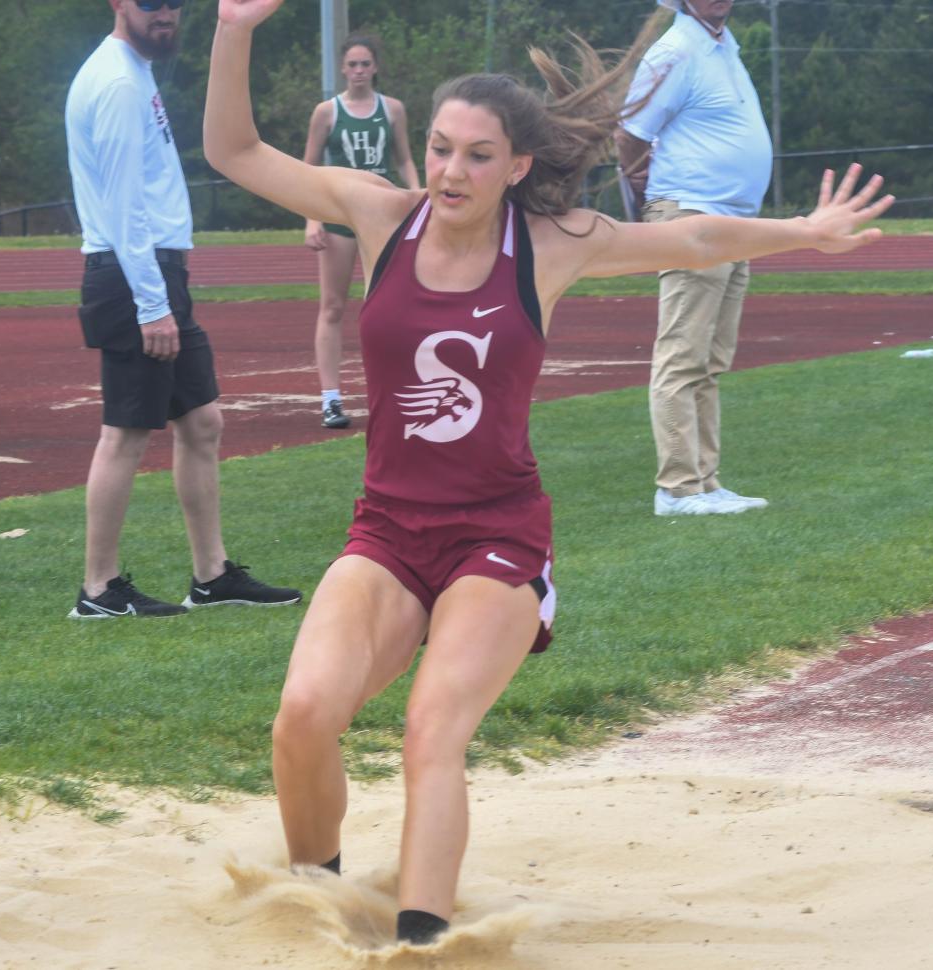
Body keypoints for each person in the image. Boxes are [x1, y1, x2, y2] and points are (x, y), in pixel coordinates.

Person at [204, 0, 891, 945]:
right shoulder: (380, 215)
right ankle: (316, 899)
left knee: (429, 737)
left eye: (478, 156)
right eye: (441, 148)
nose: (451, 170)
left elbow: (692, 242)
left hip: (497, 538)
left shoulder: (553, 242)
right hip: (388, 532)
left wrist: (804, 232)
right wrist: (235, 27)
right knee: (302, 718)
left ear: (518, 167)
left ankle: (423, 945)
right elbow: (237, 155)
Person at [64, 0, 301, 619]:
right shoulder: (117, 82)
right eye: (150, 3)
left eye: (174, 3)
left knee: (202, 423)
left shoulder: (135, 69)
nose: (165, 12)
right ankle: (99, 590)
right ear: (119, 3)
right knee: (126, 432)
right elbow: (121, 211)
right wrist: (151, 306)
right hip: (133, 278)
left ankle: (212, 575)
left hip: (155, 275)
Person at [617, 0, 775, 516]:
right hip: (694, 216)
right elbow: (631, 132)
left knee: (709, 359)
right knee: (684, 353)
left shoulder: (722, 46)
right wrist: (647, 188)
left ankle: (705, 481)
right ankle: (678, 488)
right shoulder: (675, 49)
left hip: (731, 222)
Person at [303, 34, 420, 429]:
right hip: (339, 214)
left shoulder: (392, 109)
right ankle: (331, 399)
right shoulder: (327, 112)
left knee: (388, 304)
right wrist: (312, 218)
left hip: (382, 214)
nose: (358, 71)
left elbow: (404, 159)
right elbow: (308, 170)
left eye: (364, 64)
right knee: (333, 306)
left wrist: (418, 197)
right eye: (352, 64)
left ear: (375, 67)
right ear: (342, 68)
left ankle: (394, 392)